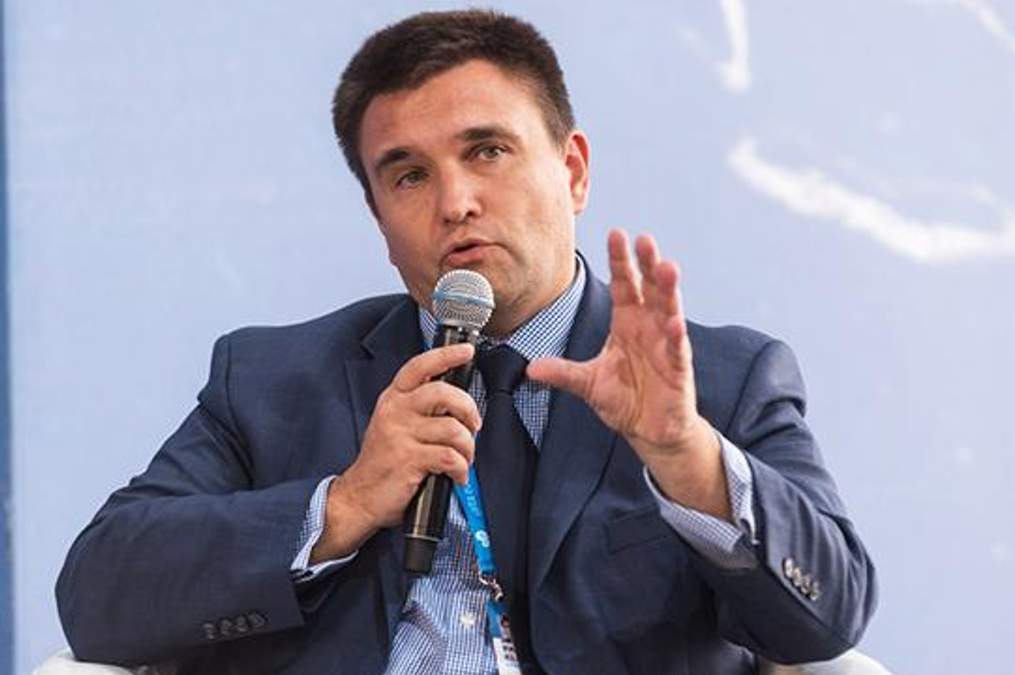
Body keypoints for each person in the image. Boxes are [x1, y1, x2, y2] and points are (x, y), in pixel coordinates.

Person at [56, 9, 877, 675]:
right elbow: (97, 596)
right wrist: (344, 505)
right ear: (379, 217)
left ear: (573, 170)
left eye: (487, 151)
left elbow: (830, 615)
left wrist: (684, 455)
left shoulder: (718, 382)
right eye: (409, 175)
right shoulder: (273, 380)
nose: (455, 202)